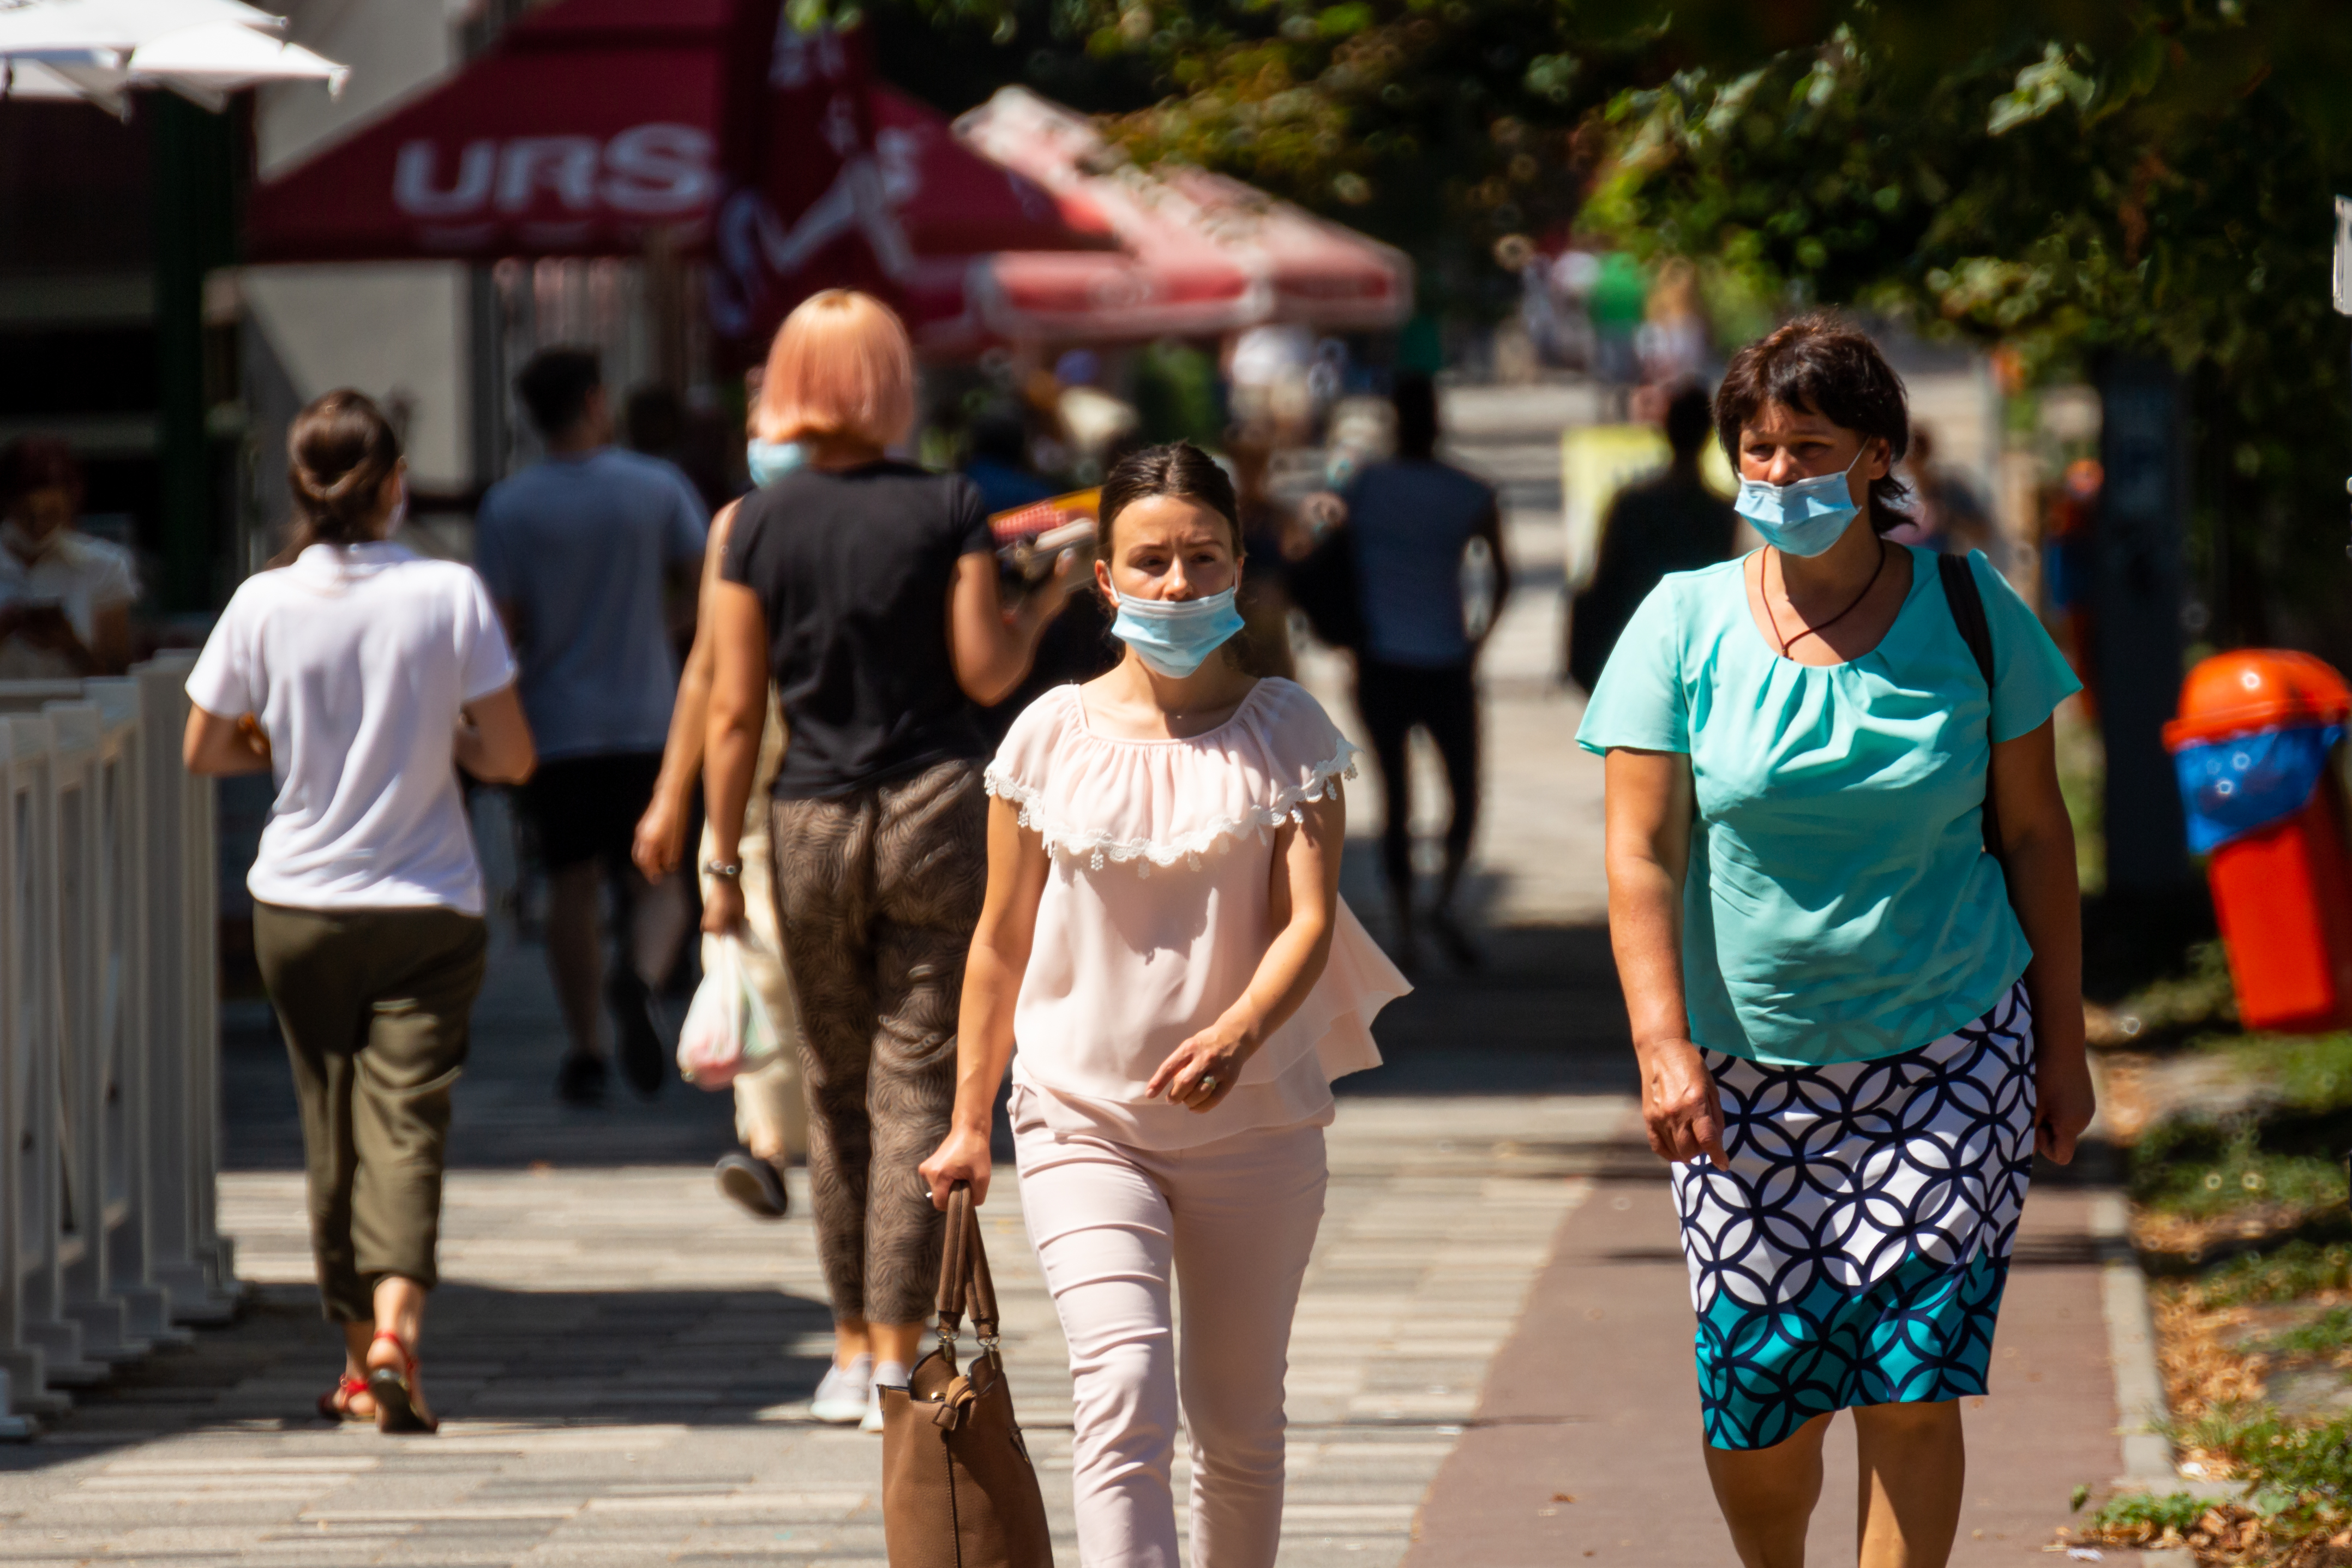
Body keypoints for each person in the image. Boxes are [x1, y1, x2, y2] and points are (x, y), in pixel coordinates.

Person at [1575, 313, 2096, 1568]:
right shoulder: (1681, 622)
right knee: (1762, 1399)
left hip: (1950, 1043)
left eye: (1810, 447)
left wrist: (2060, 1045)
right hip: (1739, 1068)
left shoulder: (1972, 612)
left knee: (1913, 1376)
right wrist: (1661, 1044)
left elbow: (2035, 835)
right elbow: (1640, 853)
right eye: (1757, 450)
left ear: (1880, 453)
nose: (1780, 476)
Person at [920, 441, 1408, 1568]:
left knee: (1237, 1428)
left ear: (1240, 566)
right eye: (1149, 561)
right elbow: (995, 941)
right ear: (1104, 580)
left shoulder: (1289, 730)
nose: (1177, 584)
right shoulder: (1046, 735)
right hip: (1078, 1117)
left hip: (1258, 1128)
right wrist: (963, 1119)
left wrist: (1238, 1034)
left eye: (1201, 557)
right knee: (1122, 1388)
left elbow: (1309, 921)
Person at [699, 290, 1075, 1431]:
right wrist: (1043, 595)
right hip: (934, 804)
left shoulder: (750, 524)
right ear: (890, 381)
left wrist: (721, 859)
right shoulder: (946, 503)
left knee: (831, 1084)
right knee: (918, 1078)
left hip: (808, 814)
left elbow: (729, 707)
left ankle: (845, 1343)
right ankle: (894, 1355)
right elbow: (982, 675)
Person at [182, 391, 535, 1434]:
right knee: (409, 1120)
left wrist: (278, 749)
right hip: (430, 900)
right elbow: (511, 756)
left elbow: (203, 748)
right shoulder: (448, 594)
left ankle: (351, 1355)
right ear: (395, 487)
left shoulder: (261, 602)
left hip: (297, 901)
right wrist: (450, 745)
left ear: (297, 487)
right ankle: (397, 1335)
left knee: (327, 1126)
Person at [475, 347, 708, 1107]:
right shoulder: (655, 486)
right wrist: (665, 625)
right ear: (597, 401)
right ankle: (639, 976)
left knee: (569, 883)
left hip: (555, 721)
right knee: (664, 876)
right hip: (649, 714)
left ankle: (585, 1049)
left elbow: (497, 631)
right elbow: (712, 587)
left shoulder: (509, 507)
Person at [634, 458, 808, 1222]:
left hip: (809, 761)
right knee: (752, 942)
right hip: (769, 762)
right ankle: (768, 1141)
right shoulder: (737, 525)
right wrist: (671, 793)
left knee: (771, 942)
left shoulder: (890, 507)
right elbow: (709, 666)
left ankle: (794, 1138)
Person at [1340, 372, 1509, 971]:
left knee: (1396, 798)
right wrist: (1476, 642)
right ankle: (1440, 905)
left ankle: (1409, 926)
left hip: (1380, 659)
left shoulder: (1363, 486)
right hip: (1445, 660)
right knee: (1463, 791)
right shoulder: (1469, 490)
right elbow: (1502, 575)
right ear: (1438, 422)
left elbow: (1332, 556)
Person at [1568, 384, 1738, 691]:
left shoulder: (1630, 503)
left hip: (1633, 646)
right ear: (1708, 436)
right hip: (1695, 655)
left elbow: (1603, 579)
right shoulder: (1721, 512)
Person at [0, 435, 136, 678]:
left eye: (51, 515)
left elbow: (118, 677)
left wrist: (72, 647)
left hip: (77, 711)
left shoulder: (104, 565)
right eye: (27, 514)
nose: (38, 526)